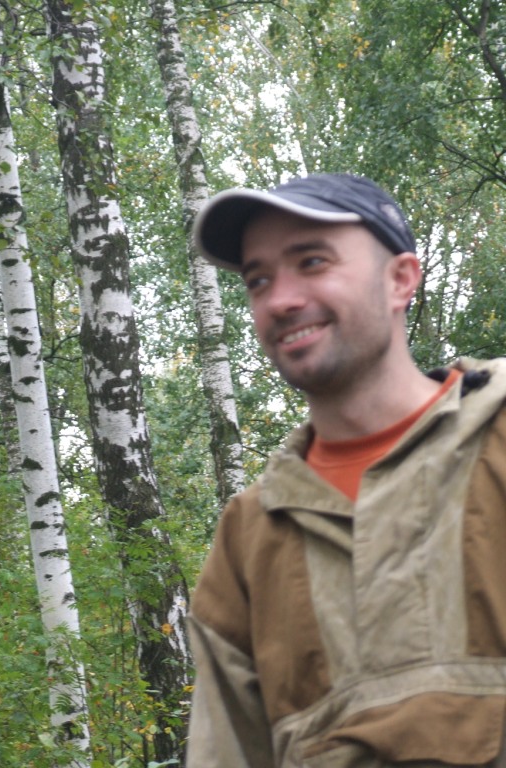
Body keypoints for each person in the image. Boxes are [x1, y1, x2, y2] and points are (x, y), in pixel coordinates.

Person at [186, 173, 506, 767]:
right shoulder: (249, 537)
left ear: (400, 279)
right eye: (258, 280)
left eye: (312, 262)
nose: (280, 300)